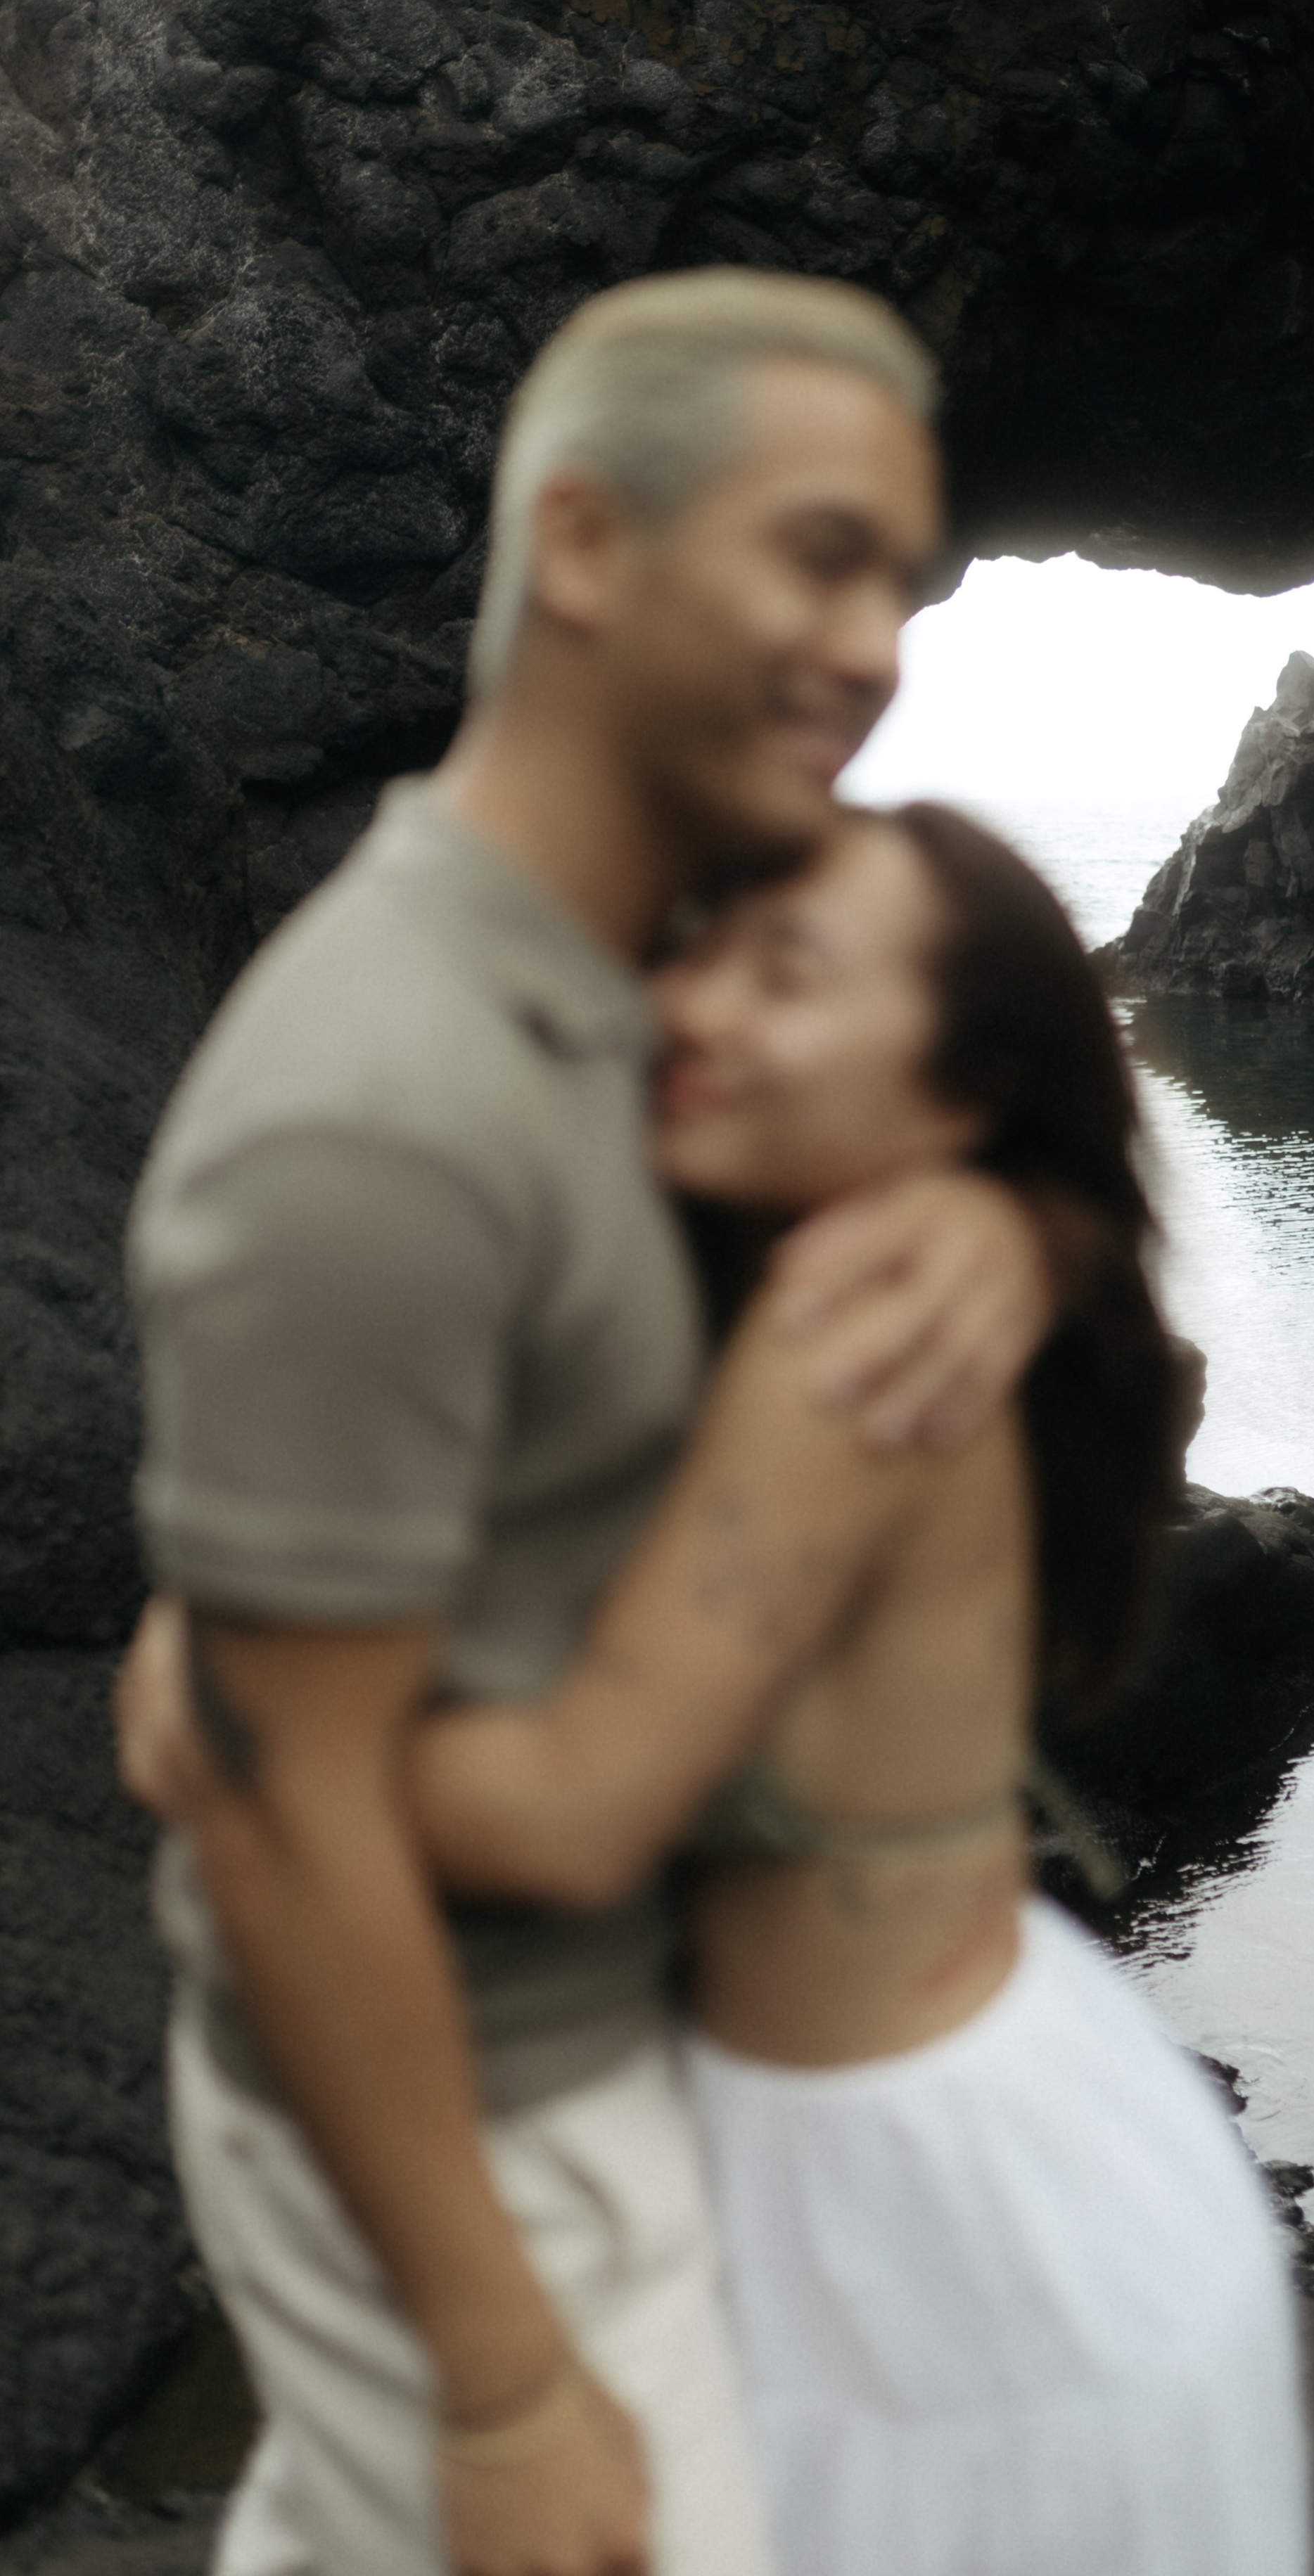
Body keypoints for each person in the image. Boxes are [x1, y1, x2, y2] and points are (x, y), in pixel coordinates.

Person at [121, 271, 1063, 2576]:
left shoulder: (624, 999)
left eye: (904, 587)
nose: (875, 646)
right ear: (585, 549)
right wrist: (506, 2370)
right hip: (498, 2127)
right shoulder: (378, 1103)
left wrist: (1019, 1214)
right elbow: (277, 1825)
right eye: (821, 554)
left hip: (603, 2058)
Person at [357, 802, 1312, 2575]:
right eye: (703, 943)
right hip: (972, 2100)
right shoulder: (933, 1277)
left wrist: (279, 1720)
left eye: (783, 973)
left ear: (961, 1089)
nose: (699, 1002)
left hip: (887, 2195)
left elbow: (573, 1814)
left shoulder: (838, 1346)